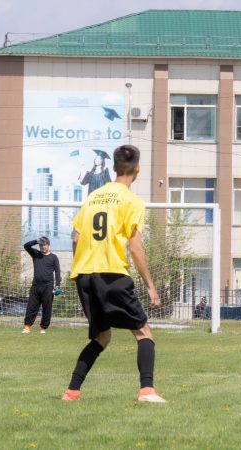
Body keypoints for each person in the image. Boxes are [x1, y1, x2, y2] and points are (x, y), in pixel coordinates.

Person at [62, 144, 166, 403]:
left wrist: (81, 266)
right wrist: (150, 286)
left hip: (84, 275)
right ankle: (147, 391)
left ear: (114, 167)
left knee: (102, 336)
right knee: (143, 333)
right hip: (112, 274)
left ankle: (72, 391)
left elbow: (76, 237)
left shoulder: (93, 197)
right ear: (137, 169)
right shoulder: (132, 201)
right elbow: (135, 247)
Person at [22, 237, 61, 334]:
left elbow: (57, 272)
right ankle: (27, 327)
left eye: (45, 245)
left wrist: (58, 286)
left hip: (48, 286)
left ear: (48, 245)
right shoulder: (36, 254)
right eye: (41, 245)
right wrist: (36, 241)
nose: (43, 247)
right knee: (31, 307)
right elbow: (26, 246)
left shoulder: (54, 257)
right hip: (35, 286)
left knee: (47, 308)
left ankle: (43, 328)